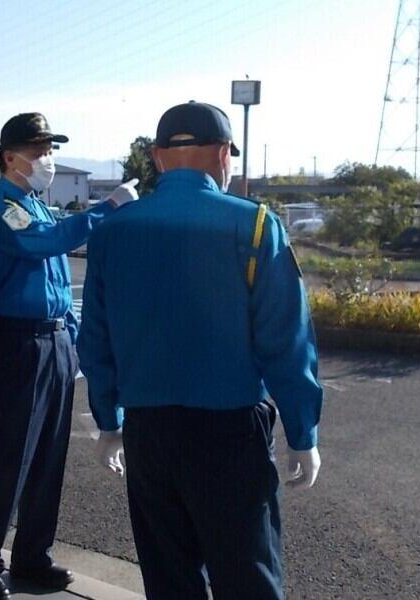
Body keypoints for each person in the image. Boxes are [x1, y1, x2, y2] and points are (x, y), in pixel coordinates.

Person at [77, 101, 324, 600]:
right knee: (247, 576)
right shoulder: (254, 226)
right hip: (229, 432)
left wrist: (109, 421)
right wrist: (303, 431)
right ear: (224, 155)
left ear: (158, 157)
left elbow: (95, 341)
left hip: (148, 431)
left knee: (169, 578)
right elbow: (286, 341)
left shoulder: (112, 231)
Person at [0, 112, 139, 599]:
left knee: (47, 458)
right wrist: (108, 206)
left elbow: (60, 287)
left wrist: (76, 341)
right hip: (16, 344)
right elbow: (48, 244)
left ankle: (32, 556)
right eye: (39, 151)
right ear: (10, 157)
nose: (48, 159)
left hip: (54, 340)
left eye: (50, 150)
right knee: (8, 459)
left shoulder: (38, 207)